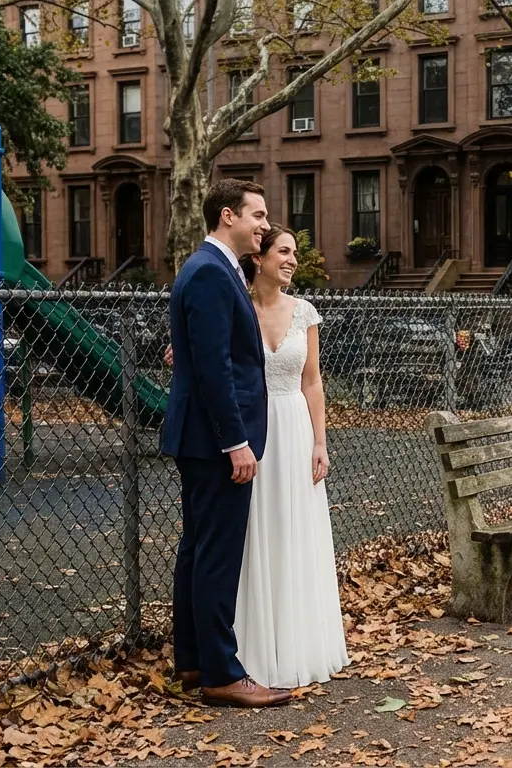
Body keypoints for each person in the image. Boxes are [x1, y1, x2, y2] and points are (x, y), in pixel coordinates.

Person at [161, 179, 290, 708]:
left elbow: (206, 354)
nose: (265, 224)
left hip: (199, 437)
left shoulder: (214, 270)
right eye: (257, 216)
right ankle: (220, 672)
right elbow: (216, 369)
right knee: (216, 555)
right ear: (228, 217)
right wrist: (235, 441)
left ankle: (192, 661)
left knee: (197, 551)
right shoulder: (212, 273)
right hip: (216, 441)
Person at [231, 224, 349, 688]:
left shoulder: (305, 312)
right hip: (253, 432)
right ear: (258, 258)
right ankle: (254, 647)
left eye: (295, 252)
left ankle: (300, 642)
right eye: (284, 251)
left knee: (295, 531)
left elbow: (312, 381)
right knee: (256, 530)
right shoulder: (237, 307)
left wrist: (320, 441)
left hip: (296, 430)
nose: (293, 259)